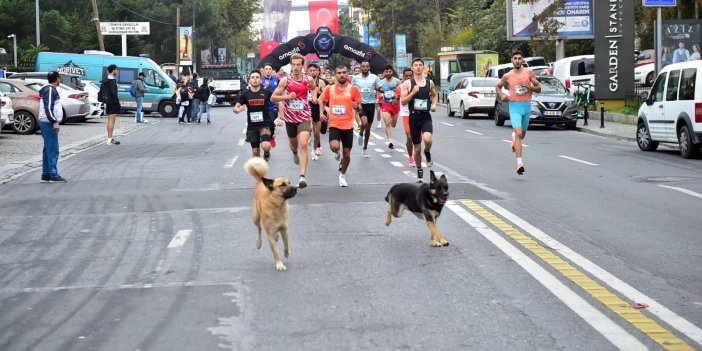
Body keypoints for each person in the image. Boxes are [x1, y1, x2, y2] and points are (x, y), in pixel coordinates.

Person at [271, 53, 317, 188]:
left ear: (303, 65)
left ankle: (302, 176)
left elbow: (314, 89)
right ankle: (294, 153)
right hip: (290, 117)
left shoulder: (308, 79)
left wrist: (314, 97)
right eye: (294, 65)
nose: (296, 67)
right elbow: (273, 98)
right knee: (294, 145)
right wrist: (287, 97)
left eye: (298, 65)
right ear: (291, 65)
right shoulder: (285, 80)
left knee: (303, 144)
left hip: (304, 116)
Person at [495, 50, 541, 175]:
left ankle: (514, 138)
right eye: (515, 58)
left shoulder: (529, 72)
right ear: (512, 60)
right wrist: (502, 95)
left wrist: (529, 87)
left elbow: (539, 88)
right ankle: (519, 163)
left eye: (519, 58)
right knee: (519, 132)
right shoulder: (508, 75)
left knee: (522, 136)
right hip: (514, 106)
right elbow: (498, 87)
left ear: (522, 60)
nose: (517, 60)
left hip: (526, 106)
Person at [320, 65, 362, 187]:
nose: (342, 75)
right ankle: (336, 152)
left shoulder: (353, 89)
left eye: (344, 72)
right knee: (334, 146)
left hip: (348, 125)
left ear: (348, 74)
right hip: (334, 123)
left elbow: (359, 107)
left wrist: (357, 107)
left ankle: (342, 175)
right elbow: (322, 100)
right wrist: (322, 112)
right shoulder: (330, 88)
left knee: (347, 154)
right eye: (339, 73)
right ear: (335, 75)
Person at [400, 58, 438, 182]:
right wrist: (413, 93)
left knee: (427, 139)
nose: (418, 67)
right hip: (414, 117)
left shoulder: (429, 83)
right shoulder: (408, 84)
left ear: (423, 67)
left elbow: (435, 94)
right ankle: (419, 168)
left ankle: (427, 151)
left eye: (420, 65)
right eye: (415, 65)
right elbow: (403, 101)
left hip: (425, 116)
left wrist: (434, 105)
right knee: (417, 149)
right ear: (412, 68)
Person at [234, 69, 274, 160]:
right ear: (249, 80)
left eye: (257, 77)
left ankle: (267, 152)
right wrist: (238, 110)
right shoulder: (245, 95)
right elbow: (235, 108)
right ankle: (259, 173)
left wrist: (281, 116)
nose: (255, 79)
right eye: (253, 77)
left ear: (260, 80)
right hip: (252, 127)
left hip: (265, 125)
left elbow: (277, 101)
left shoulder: (266, 93)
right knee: (255, 152)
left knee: (266, 146)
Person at [39, 71, 67, 183]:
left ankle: (46, 174)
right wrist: (54, 121)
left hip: (46, 122)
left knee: (47, 149)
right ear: (57, 79)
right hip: (48, 122)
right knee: (53, 149)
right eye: (59, 78)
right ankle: (54, 175)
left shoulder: (47, 89)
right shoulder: (50, 90)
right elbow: (48, 108)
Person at [352, 61, 383, 157]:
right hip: (361, 104)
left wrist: (377, 88)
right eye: (363, 67)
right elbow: (351, 90)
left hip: (371, 104)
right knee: (364, 123)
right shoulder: (356, 78)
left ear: (369, 68)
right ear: (360, 68)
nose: (365, 68)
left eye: (367, 66)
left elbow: (382, 89)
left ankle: (365, 147)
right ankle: (361, 132)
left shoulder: (374, 77)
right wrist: (353, 101)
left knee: (368, 128)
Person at [307, 63, 327, 160]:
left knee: (318, 134)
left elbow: (325, 96)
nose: (312, 72)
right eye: (310, 70)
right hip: (307, 107)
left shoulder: (321, 82)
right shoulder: (304, 81)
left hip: (317, 108)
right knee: (310, 128)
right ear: (307, 72)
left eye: (314, 70)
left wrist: (319, 93)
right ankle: (308, 136)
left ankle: (314, 150)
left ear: (318, 71)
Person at [396, 68, 415, 167]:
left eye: (410, 75)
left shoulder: (418, 86)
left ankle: (416, 153)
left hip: (417, 114)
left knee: (417, 138)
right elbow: (396, 98)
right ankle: (411, 157)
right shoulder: (400, 87)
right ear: (403, 77)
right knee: (409, 136)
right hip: (406, 114)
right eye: (406, 76)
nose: (408, 77)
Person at [380, 65, 401, 149]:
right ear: (384, 72)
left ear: (392, 72)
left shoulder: (397, 81)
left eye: (389, 71)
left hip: (395, 105)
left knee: (393, 124)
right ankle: (390, 140)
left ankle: (389, 138)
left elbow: (401, 92)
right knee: (388, 123)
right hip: (386, 104)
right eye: (386, 72)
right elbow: (379, 90)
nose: (388, 73)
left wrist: (397, 96)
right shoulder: (381, 82)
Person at [262, 63, 281, 147]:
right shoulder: (260, 80)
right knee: (265, 123)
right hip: (263, 106)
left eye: (270, 69)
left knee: (270, 120)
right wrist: (265, 87)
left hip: (274, 105)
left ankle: (271, 136)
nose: (268, 70)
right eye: (266, 69)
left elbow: (282, 89)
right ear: (263, 71)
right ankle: (268, 136)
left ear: (272, 70)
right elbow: (257, 92)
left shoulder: (276, 79)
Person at [102, 64, 121, 145]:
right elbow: (113, 93)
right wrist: (117, 102)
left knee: (109, 120)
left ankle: (110, 138)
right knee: (112, 121)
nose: (117, 71)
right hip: (113, 102)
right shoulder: (112, 80)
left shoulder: (105, 80)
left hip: (107, 102)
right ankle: (109, 139)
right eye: (116, 69)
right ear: (113, 70)